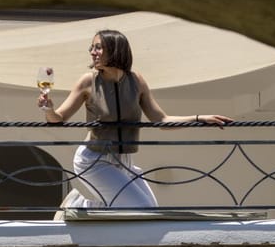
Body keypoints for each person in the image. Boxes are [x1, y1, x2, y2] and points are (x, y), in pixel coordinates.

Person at [38, 29, 233, 211]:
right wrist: (48, 109)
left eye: (98, 47)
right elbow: (58, 119)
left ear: (115, 50)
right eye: (92, 47)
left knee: (150, 209)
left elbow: (161, 120)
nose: (92, 52)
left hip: (124, 161)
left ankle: (83, 204)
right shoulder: (88, 81)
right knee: (141, 208)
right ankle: (79, 205)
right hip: (94, 159)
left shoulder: (136, 81)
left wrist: (199, 118)